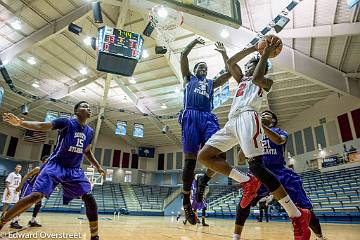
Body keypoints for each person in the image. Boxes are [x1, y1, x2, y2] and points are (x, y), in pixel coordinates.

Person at [197, 37, 312, 240]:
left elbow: (258, 77)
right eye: (249, 63)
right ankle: (246, 181)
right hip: (232, 121)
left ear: (261, 65)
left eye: (253, 63)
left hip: (250, 116)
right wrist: (252, 47)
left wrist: (264, 52)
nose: (249, 65)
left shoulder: (266, 82)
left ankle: (297, 215)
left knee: (258, 167)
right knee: (204, 156)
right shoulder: (241, 79)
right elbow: (231, 63)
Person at [0, 101, 105, 240]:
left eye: (89, 107)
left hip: (74, 170)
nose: (88, 108)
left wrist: (98, 166)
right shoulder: (66, 122)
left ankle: (94, 236)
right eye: (84, 106)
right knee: (36, 196)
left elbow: (86, 150)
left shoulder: (90, 131)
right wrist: (20, 123)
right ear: (76, 111)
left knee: (89, 198)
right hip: (55, 165)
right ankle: (3, 220)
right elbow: (43, 126)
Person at [233, 110, 327, 240]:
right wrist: (247, 139)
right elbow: (240, 160)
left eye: (268, 115)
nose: (264, 115)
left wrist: (261, 127)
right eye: (262, 114)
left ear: (273, 121)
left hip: (280, 172)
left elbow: (278, 140)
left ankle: (320, 237)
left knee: (306, 210)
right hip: (260, 173)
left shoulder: (280, 132)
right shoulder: (252, 135)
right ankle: (236, 237)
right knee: (243, 205)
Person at [179, 37, 232, 224]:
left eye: (206, 67)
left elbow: (229, 72)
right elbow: (183, 55)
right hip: (191, 116)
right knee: (190, 163)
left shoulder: (211, 83)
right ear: (194, 70)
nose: (203, 68)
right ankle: (186, 202)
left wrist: (224, 53)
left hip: (208, 117)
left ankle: (203, 182)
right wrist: (193, 42)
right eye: (200, 66)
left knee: (221, 155)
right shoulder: (189, 79)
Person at [15, 155, 49, 227]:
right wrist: (20, 186)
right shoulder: (38, 168)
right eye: (46, 161)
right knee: (23, 204)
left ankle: (32, 221)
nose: (48, 162)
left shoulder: (48, 171)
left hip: (37, 188)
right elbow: (26, 176)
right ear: (42, 162)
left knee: (38, 204)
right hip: (29, 185)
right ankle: (14, 221)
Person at [1, 164, 22, 229]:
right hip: (10, 189)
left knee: (16, 204)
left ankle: (13, 221)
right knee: (6, 204)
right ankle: (2, 216)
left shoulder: (20, 175)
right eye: (18, 167)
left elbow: (19, 184)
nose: (19, 168)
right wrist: (8, 190)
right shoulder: (11, 174)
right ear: (15, 168)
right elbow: (7, 182)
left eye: (20, 168)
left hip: (16, 190)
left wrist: (19, 191)